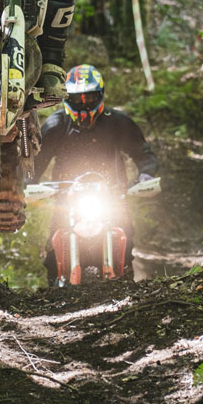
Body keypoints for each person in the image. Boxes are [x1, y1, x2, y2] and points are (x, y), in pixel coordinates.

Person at [33, 64, 158, 284]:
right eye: (76, 99)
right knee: (53, 248)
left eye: (89, 98)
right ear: (66, 98)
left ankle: (126, 284)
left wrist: (145, 175)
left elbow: (143, 153)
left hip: (112, 195)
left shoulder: (116, 122)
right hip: (67, 198)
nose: (83, 104)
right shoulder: (56, 125)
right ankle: (53, 294)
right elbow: (34, 162)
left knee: (126, 237)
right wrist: (28, 183)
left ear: (100, 96)